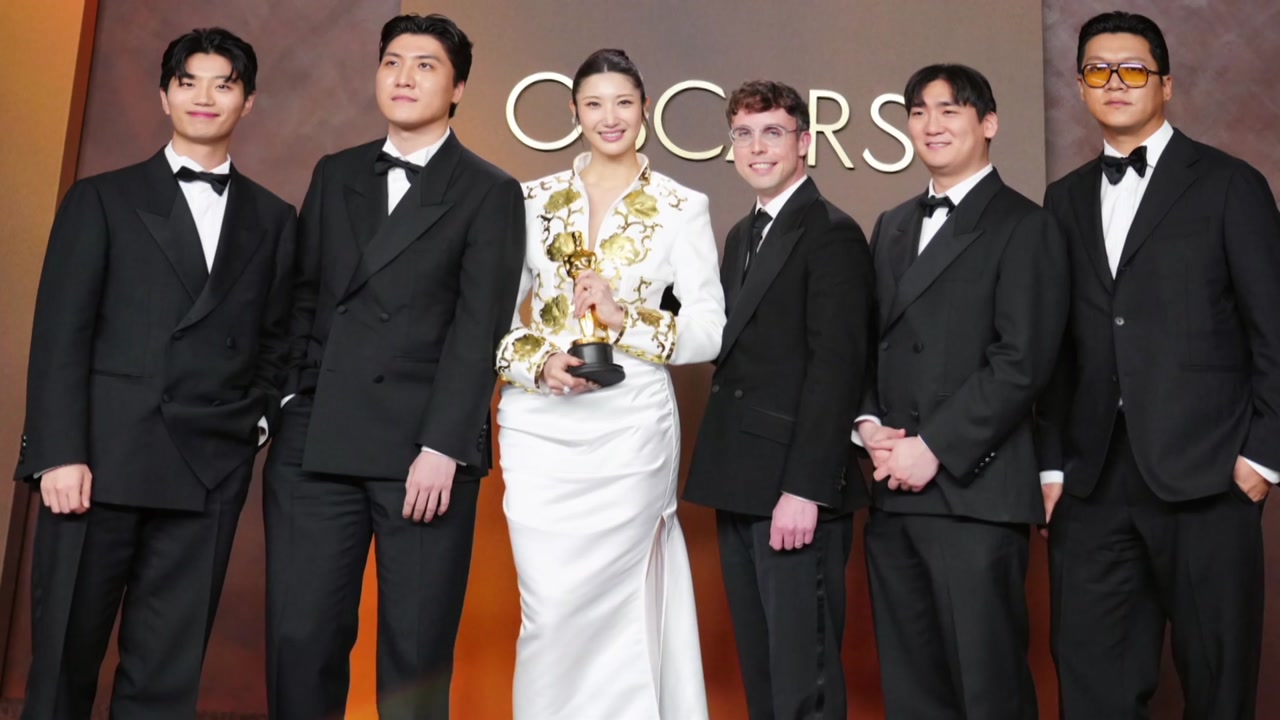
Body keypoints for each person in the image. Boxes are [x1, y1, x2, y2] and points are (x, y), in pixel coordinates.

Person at [14, 27, 295, 719]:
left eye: (224, 84)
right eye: (188, 81)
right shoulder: (100, 199)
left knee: (166, 676)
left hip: (207, 468)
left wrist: (253, 424)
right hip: (96, 467)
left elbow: (279, 338)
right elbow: (60, 338)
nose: (205, 97)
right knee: (63, 662)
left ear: (248, 102)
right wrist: (59, 454)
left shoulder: (274, 217)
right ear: (164, 96)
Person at [262, 13, 524, 720]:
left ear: (458, 87)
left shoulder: (490, 190)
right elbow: (304, 296)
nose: (404, 77)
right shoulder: (336, 171)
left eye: (425, 65)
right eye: (392, 62)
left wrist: (443, 446)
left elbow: (479, 329)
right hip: (317, 441)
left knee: (415, 655)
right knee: (300, 641)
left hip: (423, 452)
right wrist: (289, 401)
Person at [1038, 11, 1280, 718]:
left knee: (1217, 685)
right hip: (1091, 484)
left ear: (1165, 84)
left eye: (1133, 69)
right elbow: (1056, 347)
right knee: (1091, 685)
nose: (1115, 82)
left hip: (1211, 478)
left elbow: (1274, 330)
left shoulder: (1231, 184)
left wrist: (1262, 461)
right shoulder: (1063, 198)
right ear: (1081, 86)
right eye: (1098, 70)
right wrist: (1051, 469)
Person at [495, 48, 723, 720]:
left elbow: (709, 330)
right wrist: (539, 362)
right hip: (539, 427)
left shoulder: (681, 205)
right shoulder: (529, 200)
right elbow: (492, 321)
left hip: (631, 427)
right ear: (574, 112)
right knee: (550, 606)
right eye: (594, 104)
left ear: (645, 108)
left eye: (623, 102)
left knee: (620, 600)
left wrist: (626, 320)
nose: (609, 117)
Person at [854, 63, 1068, 719]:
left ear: (988, 123)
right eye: (919, 112)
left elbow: (1022, 362)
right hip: (892, 491)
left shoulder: (1024, 224)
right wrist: (868, 426)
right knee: (913, 693)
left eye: (949, 110)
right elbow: (867, 344)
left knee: (986, 689)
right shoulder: (891, 223)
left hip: (974, 494)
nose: (932, 124)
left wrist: (934, 447)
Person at [684, 79, 873, 720]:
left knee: (802, 682)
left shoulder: (832, 233)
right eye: (743, 134)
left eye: (772, 132)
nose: (757, 147)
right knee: (764, 676)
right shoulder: (742, 233)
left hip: (794, 490)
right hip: (740, 480)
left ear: (805, 142)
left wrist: (805, 490)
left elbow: (837, 370)